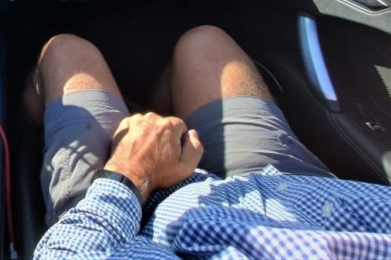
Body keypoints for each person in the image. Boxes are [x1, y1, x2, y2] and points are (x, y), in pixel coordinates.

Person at [28, 26, 391, 258]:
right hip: (295, 196)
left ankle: (30, 152)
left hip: (130, 223)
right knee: (205, 43)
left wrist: (130, 170)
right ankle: (150, 121)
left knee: (67, 52)